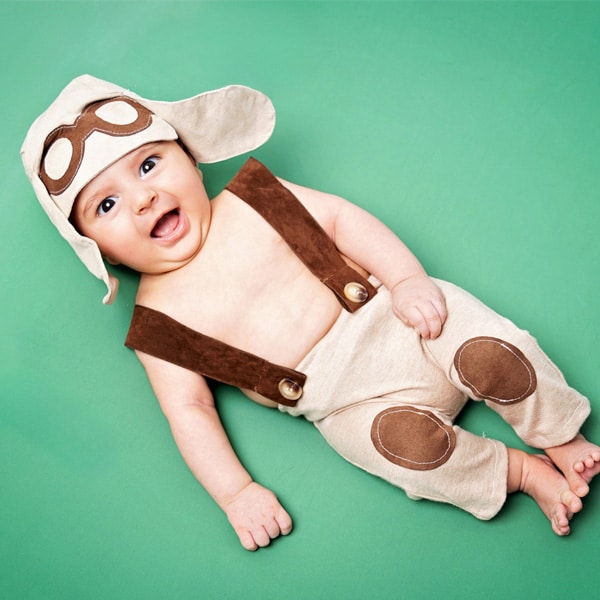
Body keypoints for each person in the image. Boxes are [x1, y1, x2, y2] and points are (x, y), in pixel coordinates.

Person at [22, 74, 600, 551]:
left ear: (192, 160)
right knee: (401, 453)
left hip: (400, 321)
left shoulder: (253, 198)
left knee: (490, 351)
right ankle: (518, 474)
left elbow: (343, 222)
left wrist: (406, 279)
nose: (143, 197)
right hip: (346, 403)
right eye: (107, 204)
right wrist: (235, 492)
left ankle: (558, 433)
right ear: (96, 248)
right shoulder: (157, 324)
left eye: (148, 166)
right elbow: (190, 411)